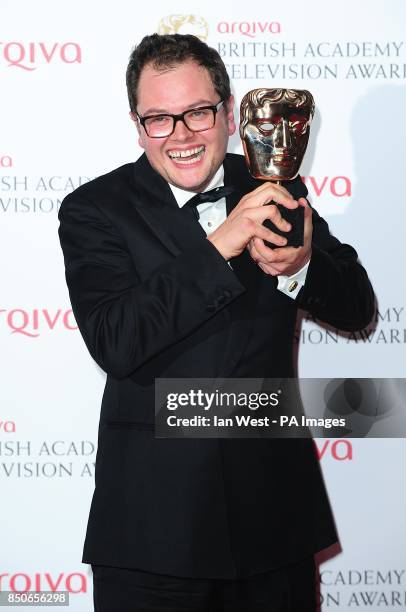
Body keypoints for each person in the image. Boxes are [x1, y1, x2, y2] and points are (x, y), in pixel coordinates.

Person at [58, 33, 374, 612]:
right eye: (159, 118)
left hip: (274, 520)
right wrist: (220, 245)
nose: (180, 134)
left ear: (228, 115)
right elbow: (117, 340)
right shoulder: (94, 209)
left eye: (198, 112)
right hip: (153, 531)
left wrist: (302, 268)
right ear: (137, 124)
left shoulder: (274, 185)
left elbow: (359, 308)